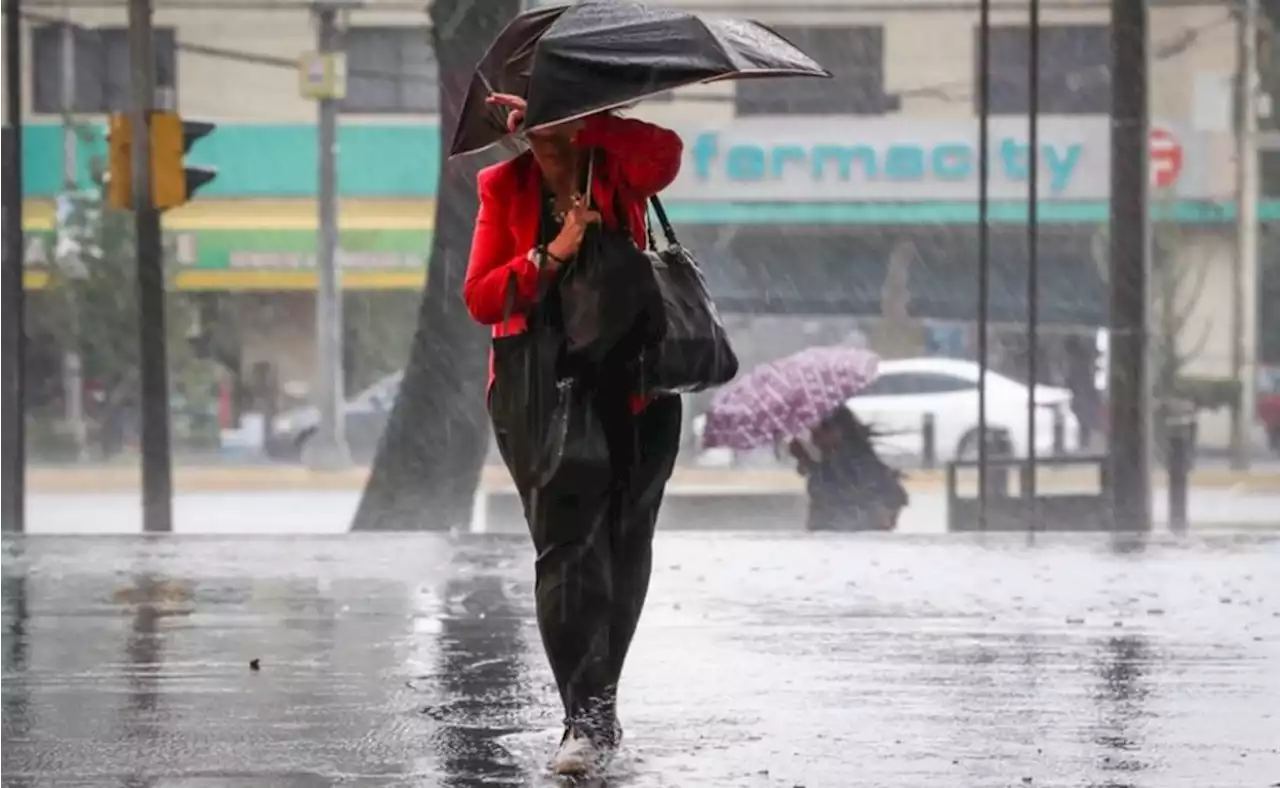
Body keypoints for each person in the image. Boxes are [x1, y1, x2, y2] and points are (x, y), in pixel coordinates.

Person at [462, 92, 684, 776]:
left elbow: (667, 154)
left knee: (625, 545)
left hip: (637, 382)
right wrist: (552, 254)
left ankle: (601, 704)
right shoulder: (504, 186)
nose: (545, 144)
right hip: (541, 387)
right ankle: (581, 721)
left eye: (556, 128)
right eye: (536, 132)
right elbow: (480, 296)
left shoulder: (617, 165)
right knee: (566, 552)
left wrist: (589, 121)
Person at [791, 406, 909, 532]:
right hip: (828, 531)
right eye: (813, 431)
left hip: (861, 532)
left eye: (825, 429)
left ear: (841, 430)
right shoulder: (820, 464)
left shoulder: (860, 461)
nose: (817, 435)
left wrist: (883, 518)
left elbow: (895, 497)